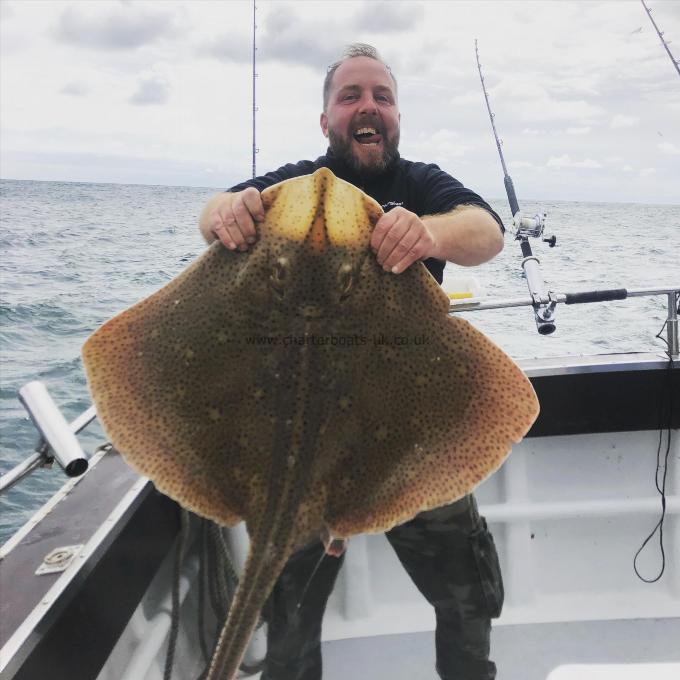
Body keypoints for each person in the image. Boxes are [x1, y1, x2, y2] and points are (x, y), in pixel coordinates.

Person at [198, 43, 505, 680]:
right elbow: (213, 214)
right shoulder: (294, 184)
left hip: (411, 436)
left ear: (397, 115)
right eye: (351, 96)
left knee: (468, 594)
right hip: (294, 439)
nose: (368, 107)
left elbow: (487, 230)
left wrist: (430, 233)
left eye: (382, 97)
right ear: (326, 120)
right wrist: (225, 213)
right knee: (287, 625)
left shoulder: (422, 185)